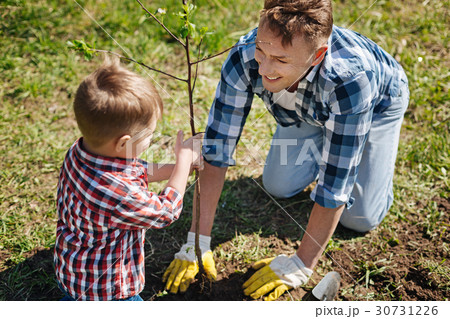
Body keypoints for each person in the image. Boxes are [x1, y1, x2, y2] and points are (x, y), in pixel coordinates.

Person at [163, 0, 409, 300]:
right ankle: (326, 135)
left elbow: (335, 184)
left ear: (317, 55)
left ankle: (369, 163)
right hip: (305, 108)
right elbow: (216, 149)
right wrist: (197, 241)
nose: (263, 67)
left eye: (279, 59)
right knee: (278, 186)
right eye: (262, 52)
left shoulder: (351, 81)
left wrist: (302, 263)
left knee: (359, 218)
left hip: (376, 106)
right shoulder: (244, 55)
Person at [54, 57, 203, 301]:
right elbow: (165, 211)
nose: (152, 139)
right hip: (107, 290)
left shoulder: (80, 151)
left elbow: (135, 171)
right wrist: (184, 162)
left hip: (73, 271)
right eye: (150, 135)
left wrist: (175, 168)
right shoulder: (116, 193)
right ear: (124, 143)